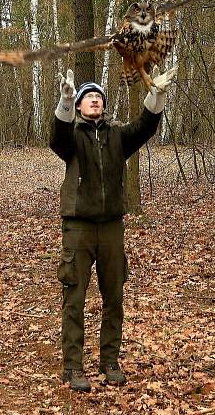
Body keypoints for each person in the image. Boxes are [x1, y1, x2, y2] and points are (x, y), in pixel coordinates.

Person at [49, 65, 176, 392]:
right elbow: (56, 138)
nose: (94, 100)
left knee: (114, 298)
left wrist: (156, 96)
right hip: (78, 227)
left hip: (111, 228)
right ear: (79, 106)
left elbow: (144, 128)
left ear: (104, 105)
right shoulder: (73, 137)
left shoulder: (117, 136)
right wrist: (64, 102)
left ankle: (110, 361)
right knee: (74, 299)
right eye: (87, 97)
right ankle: (73, 366)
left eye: (98, 97)